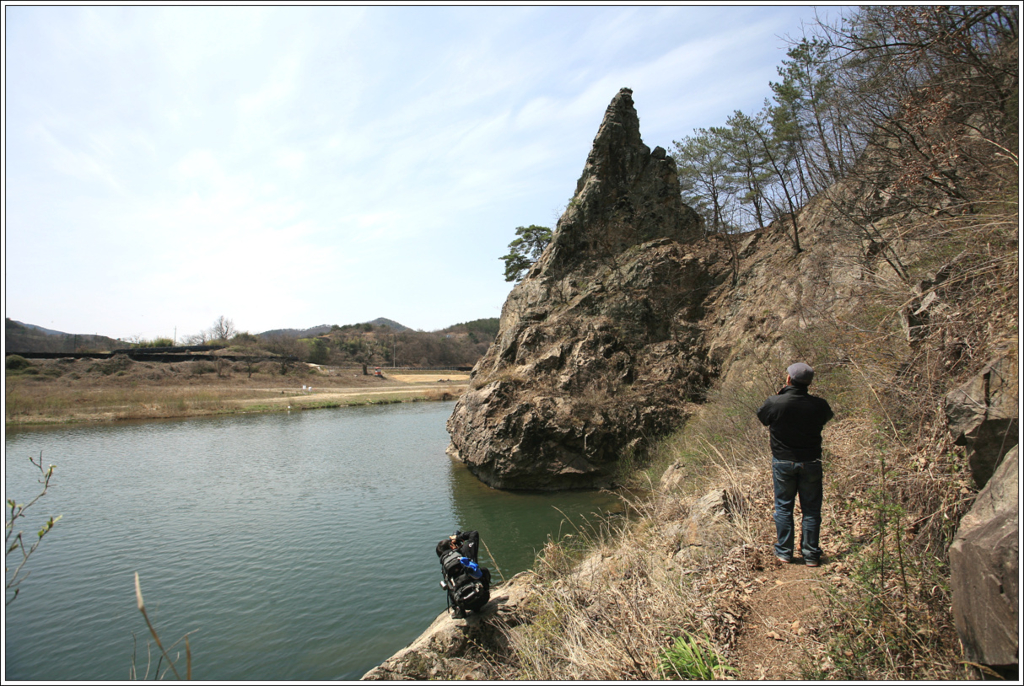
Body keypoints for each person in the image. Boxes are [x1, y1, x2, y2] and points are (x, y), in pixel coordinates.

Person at [756, 362, 834, 567]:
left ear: (789, 379)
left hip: (783, 461)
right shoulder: (819, 405)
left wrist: (780, 396)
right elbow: (826, 418)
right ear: (809, 383)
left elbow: (763, 417)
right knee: (811, 509)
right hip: (811, 462)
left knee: (783, 507)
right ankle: (811, 555)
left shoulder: (776, 402)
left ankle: (784, 552)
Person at [436, 530, 491, 618]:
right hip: (483, 597)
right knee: (484, 570)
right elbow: (474, 533)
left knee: (450, 587)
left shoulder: (445, 569)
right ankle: (485, 590)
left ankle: (460, 612)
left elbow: (451, 592)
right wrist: (458, 537)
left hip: (466, 604)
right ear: (451, 546)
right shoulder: (465, 551)